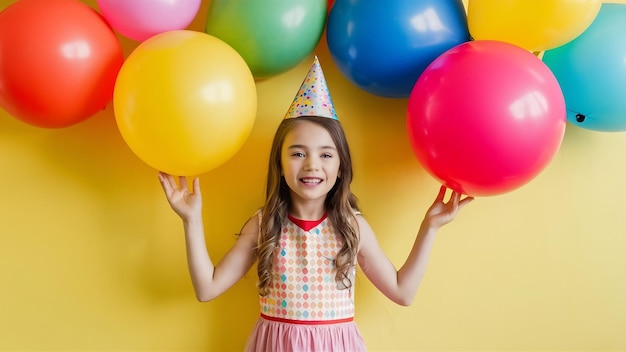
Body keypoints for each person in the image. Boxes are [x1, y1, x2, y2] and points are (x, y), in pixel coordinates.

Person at [157, 57, 474, 352]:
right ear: (279, 165)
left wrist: (429, 226)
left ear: (340, 167)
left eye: (325, 154)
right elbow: (207, 288)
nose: (311, 165)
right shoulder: (264, 223)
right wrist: (191, 220)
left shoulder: (352, 226)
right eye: (297, 153)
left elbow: (403, 292)